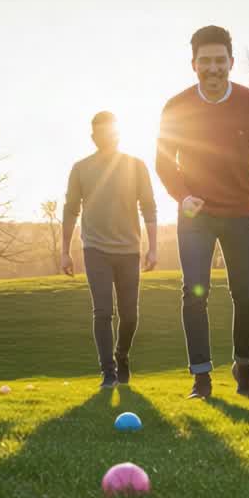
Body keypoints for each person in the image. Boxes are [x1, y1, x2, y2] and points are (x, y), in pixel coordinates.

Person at [156, 25, 249, 399]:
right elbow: (163, 158)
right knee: (195, 294)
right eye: (205, 61)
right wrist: (182, 195)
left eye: (220, 61)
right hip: (196, 215)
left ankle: (243, 366)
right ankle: (201, 378)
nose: (213, 68)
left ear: (231, 62)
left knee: (246, 295)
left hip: (242, 213)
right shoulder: (177, 106)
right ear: (194, 64)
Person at [61, 111, 158, 388]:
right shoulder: (80, 168)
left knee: (130, 315)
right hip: (95, 249)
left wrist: (152, 248)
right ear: (93, 137)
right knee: (102, 312)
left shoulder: (136, 165)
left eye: (111, 132)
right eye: (100, 133)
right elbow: (70, 210)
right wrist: (65, 251)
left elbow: (149, 207)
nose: (106, 137)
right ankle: (108, 372)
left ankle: (122, 354)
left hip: (129, 249)